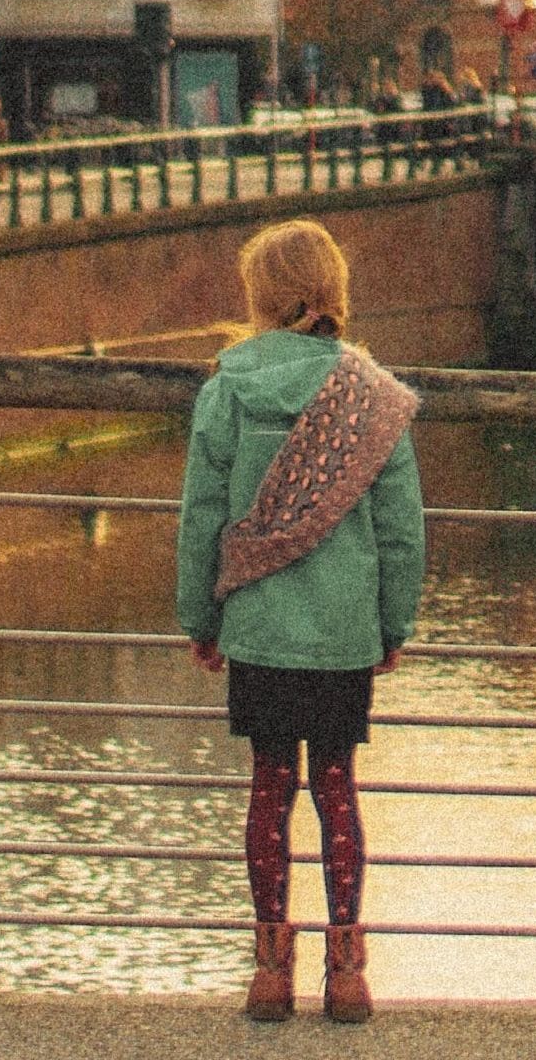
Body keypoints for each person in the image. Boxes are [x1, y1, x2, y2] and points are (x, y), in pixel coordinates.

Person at [176, 220, 426, 1025]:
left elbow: (202, 517)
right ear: (334, 291)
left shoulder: (227, 389)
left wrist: (199, 614)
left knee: (269, 785)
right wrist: (393, 626)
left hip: (259, 624)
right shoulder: (372, 396)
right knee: (337, 787)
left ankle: (270, 969)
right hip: (345, 627)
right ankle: (347, 970)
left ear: (260, 296)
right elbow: (400, 531)